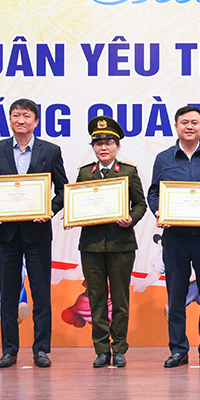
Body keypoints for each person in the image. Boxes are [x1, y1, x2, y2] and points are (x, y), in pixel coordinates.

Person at [0, 98, 67, 369]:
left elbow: (62, 190)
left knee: (41, 293)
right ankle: (9, 350)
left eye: (26, 115)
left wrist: (50, 211)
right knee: (8, 294)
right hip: (6, 234)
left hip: (38, 233)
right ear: (9, 120)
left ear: (36, 121)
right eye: (16, 115)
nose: (21, 120)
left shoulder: (50, 150)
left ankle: (41, 349)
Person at [147, 105, 200, 369]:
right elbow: (153, 193)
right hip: (175, 238)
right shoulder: (164, 158)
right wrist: (159, 210)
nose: (190, 126)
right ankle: (178, 349)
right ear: (176, 127)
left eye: (195, 122)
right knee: (176, 297)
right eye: (184, 122)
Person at [72, 116, 146, 369]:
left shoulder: (127, 171)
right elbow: (76, 204)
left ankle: (120, 347)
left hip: (121, 244)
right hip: (91, 246)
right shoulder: (84, 173)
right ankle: (102, 349)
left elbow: (141, 204)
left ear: (118, 146)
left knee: (120, 299)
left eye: (109, 143)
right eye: (98, 143)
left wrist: (131, 219)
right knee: (96, 298)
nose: (103, 147)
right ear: (93, 147)